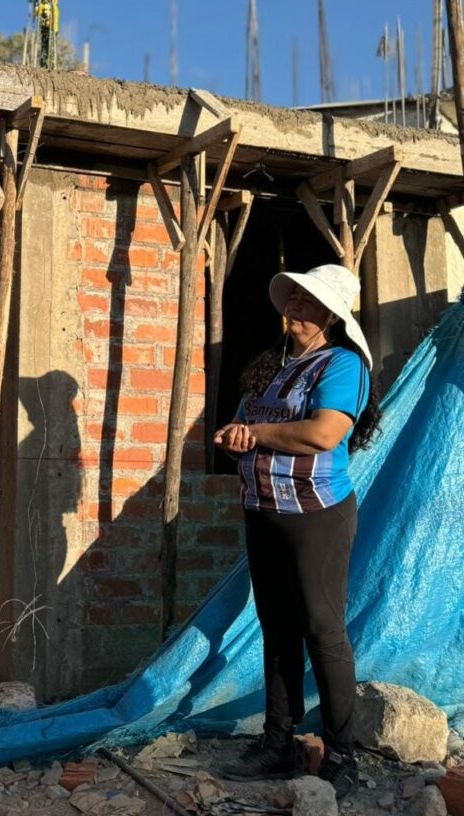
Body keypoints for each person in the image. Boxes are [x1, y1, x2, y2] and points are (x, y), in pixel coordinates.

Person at [214, 264, 380, 800]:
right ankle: (278, 743)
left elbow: (323, 432)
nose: (295, 308)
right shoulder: (271, 368)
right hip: (262, 511)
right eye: (292, 299)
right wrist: (235, 435)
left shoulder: (343, 365)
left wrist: (256, 433)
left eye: (307, 302)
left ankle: (342, 755)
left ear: (331, 314)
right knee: (277, 628)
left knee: (323, 631)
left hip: (316, 516)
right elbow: (240, 423)